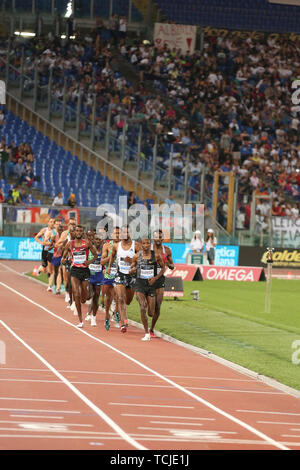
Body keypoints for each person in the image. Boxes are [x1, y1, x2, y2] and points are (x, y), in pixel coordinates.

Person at [61, 225, 98, 328]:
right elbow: (63, 256)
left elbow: (95, 255)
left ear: (83, 233)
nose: (78, 232)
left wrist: (89, 261)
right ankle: (80, 320)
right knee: (76, 293)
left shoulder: (87, 243)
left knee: (84, 298)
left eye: (80, 231)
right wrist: (63, 260)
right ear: (74, 232)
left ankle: (84, 298)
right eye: (77, 231)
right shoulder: (70, 244)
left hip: (85, 271)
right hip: (75, 271)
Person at [129, 237, 165, 341]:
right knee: (142, 307)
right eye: (143, 243)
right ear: (141, 245)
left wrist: (155, 278)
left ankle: (149, 329)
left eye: (147, 243)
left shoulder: (156, 255)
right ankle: (146, 333)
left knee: (151, 312)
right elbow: (132, 266)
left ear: (150, 244)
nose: (145, 245)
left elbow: (163, 268)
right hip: (140, 284)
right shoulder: (136, 256)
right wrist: (132, 270)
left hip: (151, 285)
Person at [107, 225, 141, 333]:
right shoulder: (116, 246)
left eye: (127, 232)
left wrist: (132, 261)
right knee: (120, 298)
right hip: (120, 274)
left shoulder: (136, 246)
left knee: (128, 300)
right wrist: (109, 267)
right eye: (123, 232)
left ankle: (122, 314)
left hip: (131, 276)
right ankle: (123, 323)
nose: (125, 234)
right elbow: (112, 256)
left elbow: (142, 261)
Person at [150, 229, 174, 337]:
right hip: (148, 278)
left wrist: (170, 265)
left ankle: (151, 329)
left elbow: (171, 264)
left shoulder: (167, 250)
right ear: (153, 238)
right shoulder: (147, 248)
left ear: (162, 238)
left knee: (158, 306)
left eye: (160, 237)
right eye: (156, 237)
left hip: (160, 279)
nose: (158, 239)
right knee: (149, 308)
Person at [101, 226, 121, 330]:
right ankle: (107, 317)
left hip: (119, 274)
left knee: (118, 296)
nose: (117, 235)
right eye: (115, 233)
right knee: (108, 299)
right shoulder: (107, 246)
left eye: (119, 233)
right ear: (111, 235)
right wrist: (111, 257)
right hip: (109, 274)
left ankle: (116, 315)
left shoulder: (124, 246)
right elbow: (102, 262)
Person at [87, 232, 105, 327]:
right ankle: (89, 312)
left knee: (96, 297)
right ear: (93, 240)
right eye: (96, 239)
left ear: (101, 241)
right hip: (89, 276)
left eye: (99, 240)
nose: (97, 241)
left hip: (99, 278)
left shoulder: (104, 251)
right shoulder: (89, 249)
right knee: (89, 295)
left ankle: (93, 317)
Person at [34, 217, 56, 290]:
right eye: (51, 222)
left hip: (52, 251)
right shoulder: (44, 230)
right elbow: (36, 237)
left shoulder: (55, 231)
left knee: (51, 269)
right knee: (45, 269)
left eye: (53, 222)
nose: (52, 223)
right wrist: (42, 243)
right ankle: (40, 269)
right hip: (45, 251)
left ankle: (49, 286)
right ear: (48, 223)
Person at [50, 220, 64, 294]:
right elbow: (50, 246)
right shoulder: (54, 236)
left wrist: (62, 246)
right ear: (57, 230)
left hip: (63, 256)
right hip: (56, 256)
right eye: (59, 230)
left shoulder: (65, 237)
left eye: (62, 230)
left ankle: (61, 286)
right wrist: (54, 245)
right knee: (55, 272)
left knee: (61, 271)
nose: (60, 231)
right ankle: (55, 286)